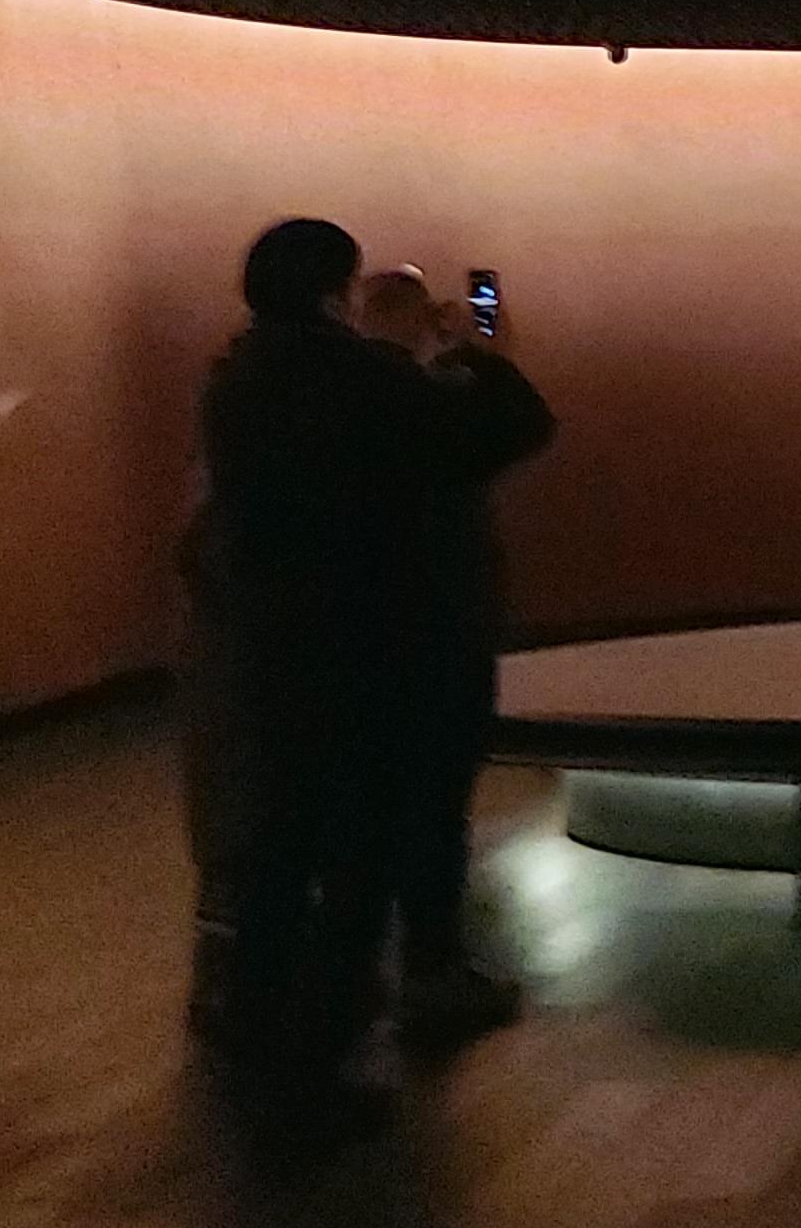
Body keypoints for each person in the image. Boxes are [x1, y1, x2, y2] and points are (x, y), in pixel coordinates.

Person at [193, 217, 557, 1136]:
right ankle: (318, 1066)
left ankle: (255, 1025)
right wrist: (479, 357)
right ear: (333, 290)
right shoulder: (357, 380)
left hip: (279, 654)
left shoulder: (238, 379)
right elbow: (509, 430)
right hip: (372, 655)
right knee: (361, 860)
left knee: (281, 850)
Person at [356, 268, 559, 1040]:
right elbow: (526, 424)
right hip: (437, 629)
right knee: (435, 803)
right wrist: (478, 354)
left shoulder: (310, 400)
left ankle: (352, 972)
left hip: (347, 635)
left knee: (360, 805)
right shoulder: (427, 402)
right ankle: (431, 967)